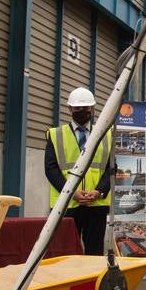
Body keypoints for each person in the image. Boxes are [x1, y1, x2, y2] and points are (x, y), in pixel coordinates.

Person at [44, 86, 112, 255]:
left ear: (93, 108)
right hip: (66, 205)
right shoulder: (55, 134)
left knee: (94, 254)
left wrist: (99, 191)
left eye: (86, 108)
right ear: (69, 109)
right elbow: (51, 169)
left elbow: (112, 169)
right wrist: (71, 192)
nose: (82, 111)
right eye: (78, 108)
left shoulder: (107, 134)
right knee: (65, 254)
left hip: (96, 204)